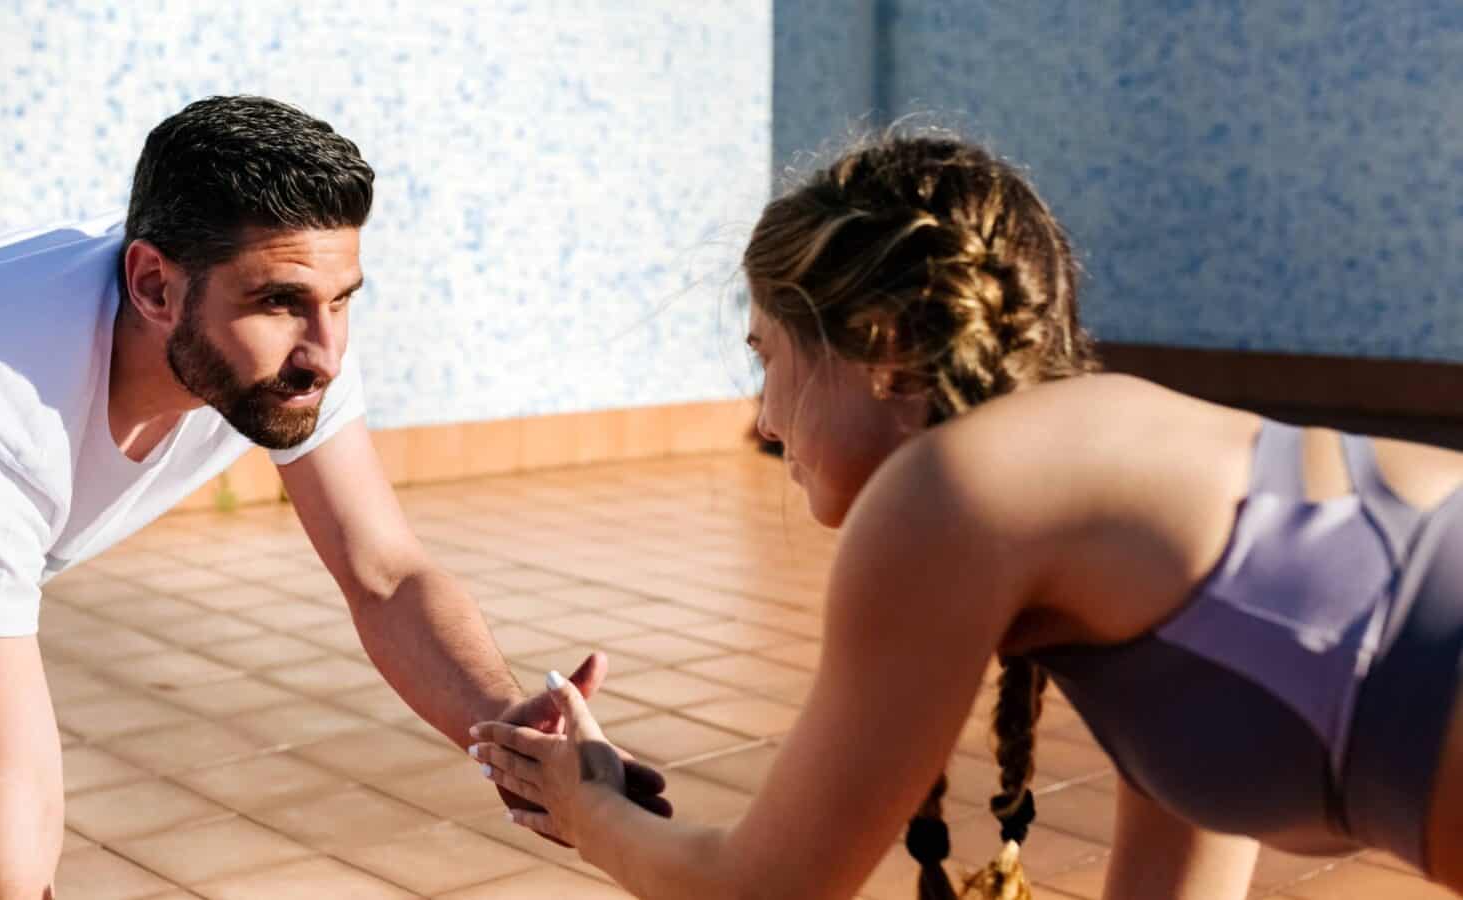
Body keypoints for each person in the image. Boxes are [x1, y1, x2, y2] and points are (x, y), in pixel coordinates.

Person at [0, 95, 665, 897]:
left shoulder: (275, 311)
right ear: (152, 286)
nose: (328, 351)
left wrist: (508, 726)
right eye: (284, 305)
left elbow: (384, 569)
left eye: (345, 300)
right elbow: (3, 790)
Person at [469, 129, 1463, 899]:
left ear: (887, 348)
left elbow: (762, 889)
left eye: (765, 357)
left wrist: (582, 807)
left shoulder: (951, 492)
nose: (764, 420)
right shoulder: (1134, 504)